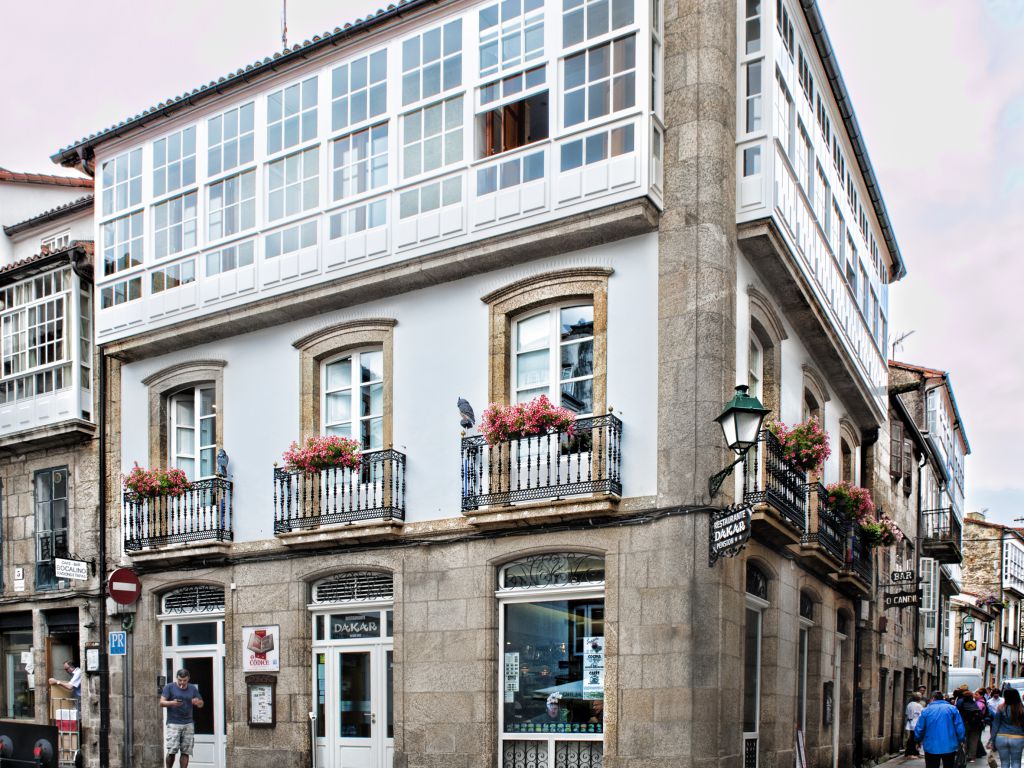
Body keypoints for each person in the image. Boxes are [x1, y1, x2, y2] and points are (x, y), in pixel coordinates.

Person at [160, 669, 204, 768]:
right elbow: (161, 703)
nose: (182, 683)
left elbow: (201, 704)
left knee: (186, 751)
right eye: (180, 680)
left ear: (188, 679)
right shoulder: (169, 687)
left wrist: (197, 702)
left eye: (185, 680)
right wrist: (172, 703)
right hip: (173, 723)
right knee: (172, 750)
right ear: (177, 678)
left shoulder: (192, 688)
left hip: (188, 723)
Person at [915, 690, 966, 768]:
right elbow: (959, 726)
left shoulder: (926, 710)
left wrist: (917, 740)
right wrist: (961, 739)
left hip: (931, 746)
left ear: (932, 698)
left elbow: (920, 728)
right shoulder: (952, 709)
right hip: (949, 745)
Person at [990, 686, 1024, 768]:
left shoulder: (1001, 708)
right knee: (1016, 762)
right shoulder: (1021, 709)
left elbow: (996, 725)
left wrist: (992, 740)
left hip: (1001, 737)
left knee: (1004, 763)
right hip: (1018, 737)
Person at [957, 685, 984, 762]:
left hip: (965, 723)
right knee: (974, 740)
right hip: (976, 724)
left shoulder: (961, 703)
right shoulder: (975, 704)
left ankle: (964, 755)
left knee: (964, 739)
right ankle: (972, 757)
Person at [905, 692, 924, 758]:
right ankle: (910, 753)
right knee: (914, 739)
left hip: (910, 722)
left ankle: (915, 752)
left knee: (912, 738)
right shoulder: (919, 705)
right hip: (916, 723)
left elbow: (907, 714)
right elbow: (922, 714)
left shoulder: (909, 704)